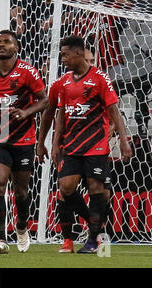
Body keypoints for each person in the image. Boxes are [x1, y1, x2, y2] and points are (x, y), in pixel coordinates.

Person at [51, 35, 132, 254]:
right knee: (66, 187)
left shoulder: (100, 78)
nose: (63, 59)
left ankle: (93, 241)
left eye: (65, 54)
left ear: (78, 53)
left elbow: (114, 111)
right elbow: (60, 115)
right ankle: (94, 225)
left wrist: (124, 142)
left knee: (97, 189)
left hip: (95, 144)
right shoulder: (65, 81)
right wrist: (55, 143)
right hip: (72, 145)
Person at [0, 30, 48, 254]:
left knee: (21, 192)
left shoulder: (28, 72)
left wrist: (27, 113)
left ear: (16, 47)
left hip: (24, 139)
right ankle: (0, 239)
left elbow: (45, 100)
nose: (1, 45)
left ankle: (21, 226)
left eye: (7, 42)